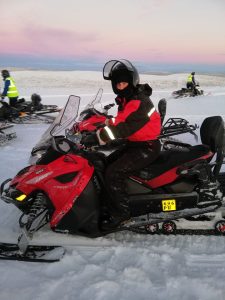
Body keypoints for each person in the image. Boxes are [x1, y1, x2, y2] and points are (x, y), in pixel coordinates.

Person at [82, 59, 162, 229]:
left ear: (132, 82)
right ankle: (109, 201)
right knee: (105, 162)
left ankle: (121, 214)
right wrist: (100, 124)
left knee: (113, 173)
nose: (120, 87)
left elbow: (125, 129)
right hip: (136, 144)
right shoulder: (128, 99)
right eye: (117, 84)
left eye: (124, 83)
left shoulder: (139, 102)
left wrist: (97, 137)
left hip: (146, 147)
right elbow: (121, 121)